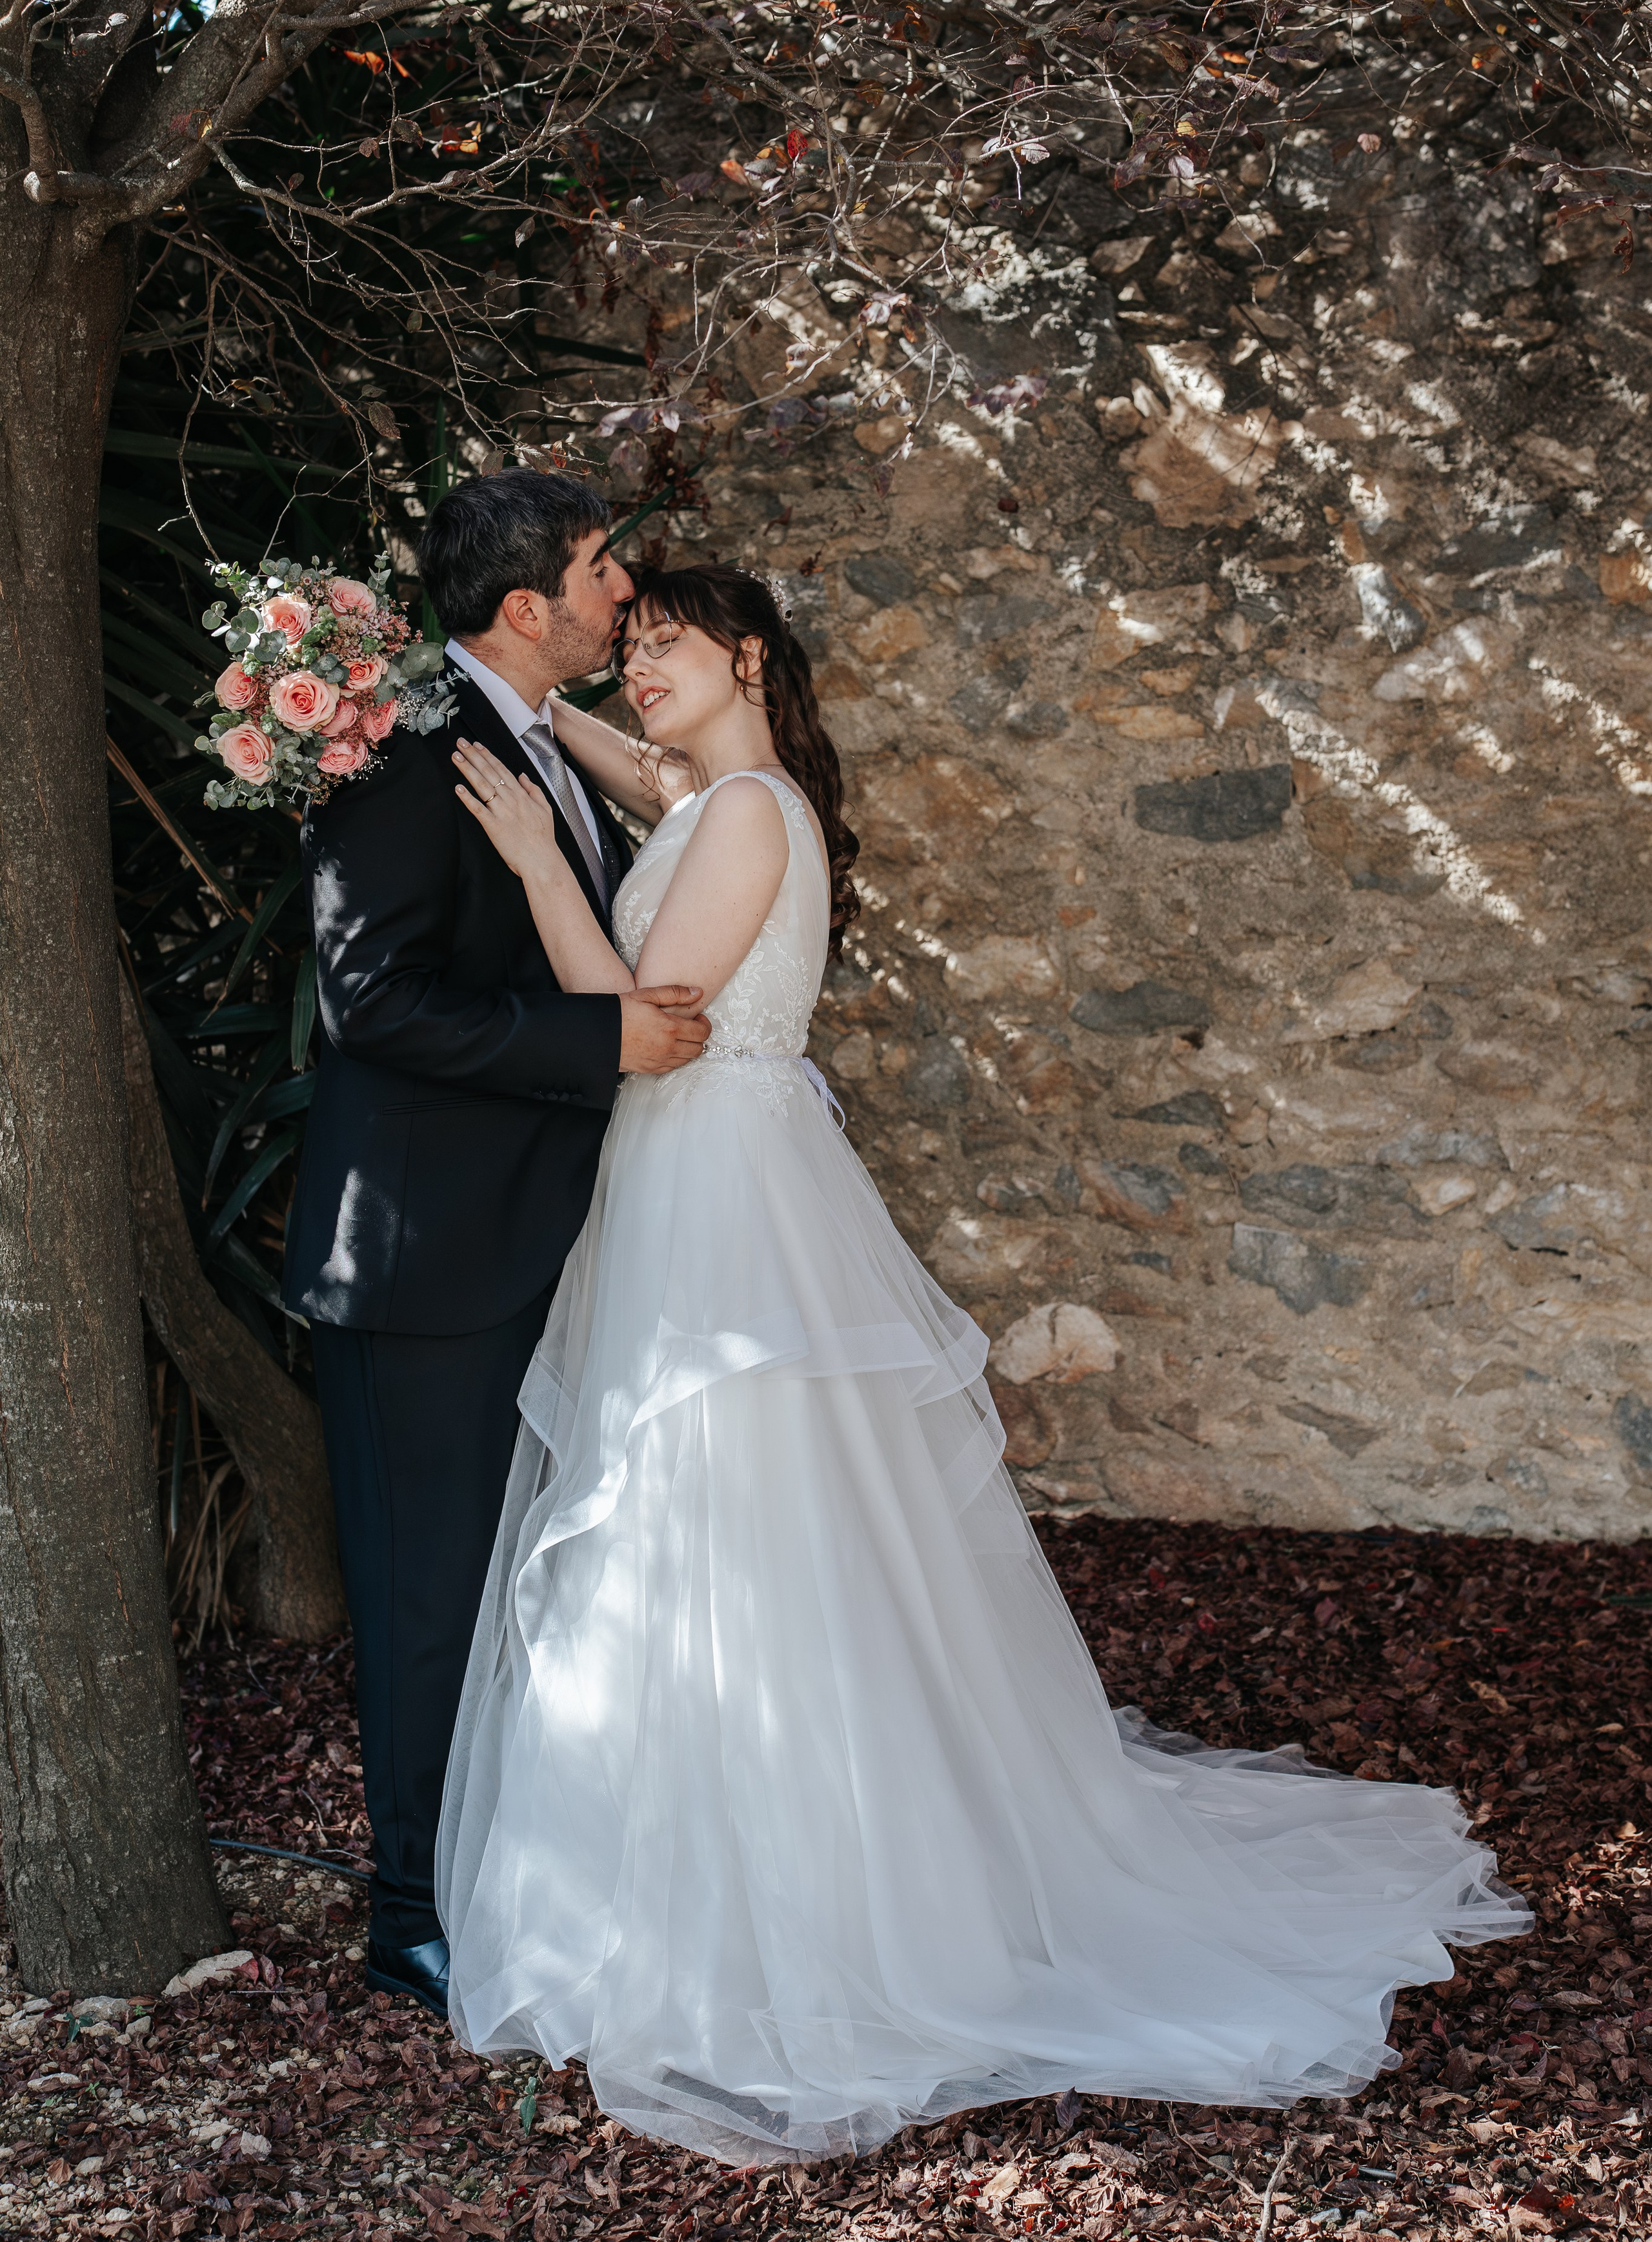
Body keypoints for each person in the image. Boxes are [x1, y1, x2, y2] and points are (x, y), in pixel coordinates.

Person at [436, 561, 1530, 2165]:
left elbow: (636, 1011)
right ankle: (701, 1856)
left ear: (743, 657)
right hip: (695, 1181)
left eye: (663, 650)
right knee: (712, 1511)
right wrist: (548, 724)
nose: (636, 675)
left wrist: (537, 860)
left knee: (731, 1507)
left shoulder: (744, 815)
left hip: (713, 1177)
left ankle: (789, 1903)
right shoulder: (725, 791)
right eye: (630, 650)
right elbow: (650, 772)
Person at [284, 474, 710, 2017]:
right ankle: (411, 1913)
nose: (619, 589)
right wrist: (598, 1043)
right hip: (417, 1262)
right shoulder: (402, 753)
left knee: (521, 1584)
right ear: (525, 605)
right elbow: (370, 998)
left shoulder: (535, 748)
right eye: (599, 569)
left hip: (526, 1241)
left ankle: (498, 1864)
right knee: (426, 1598)